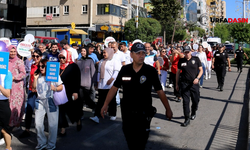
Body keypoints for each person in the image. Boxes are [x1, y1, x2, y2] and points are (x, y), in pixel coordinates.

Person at [100, 43, 172, 150]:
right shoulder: (125, 70)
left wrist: (168, 109)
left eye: (143, 53)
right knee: (130, 140)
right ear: (131, 55)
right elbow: (114, 88)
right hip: (128, 113)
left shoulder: (150, 71)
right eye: (138, 53)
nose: (141, 55)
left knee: (141, 142)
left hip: (144, 113)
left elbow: (160, 91)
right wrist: (105, 104)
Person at [33, 59, 63, 150]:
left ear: (47, 67)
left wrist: (55, 88)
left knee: (52, 125)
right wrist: (35, 78)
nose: (41, 68)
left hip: (50, 100)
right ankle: (41, 142)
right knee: (37, 123)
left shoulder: (53, 75)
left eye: (43, 66)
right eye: (40, 66)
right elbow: (34, 88)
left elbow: (61, 86)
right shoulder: (38, 76)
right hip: (40, 101)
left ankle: (51, 144)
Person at [90, 48, 121, 123]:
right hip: (102, 84)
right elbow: (99, 72)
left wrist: (112, 79)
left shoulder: (114, 61)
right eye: (103, 53)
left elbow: (116, 72)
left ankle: (112, 114)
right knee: (101, 100)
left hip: (111, 85)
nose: (103, 54)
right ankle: (97, 115)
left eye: (105, 53)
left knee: (112, 100)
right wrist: (97, 82)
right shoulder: (101, 61)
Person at [176, 46, 203, 127]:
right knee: (185, 102)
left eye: (188, 52)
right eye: (185, 52)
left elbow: (201, 70)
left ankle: (194, 111)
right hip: (184, 84)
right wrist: (177, 84)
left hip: (194, 84)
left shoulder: (196, 59)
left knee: (195, 100)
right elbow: (177, 73)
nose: (187, 54)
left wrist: (198, 78)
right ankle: (187, 118)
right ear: (183, 53)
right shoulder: (181, 61)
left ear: (190, 52)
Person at [58, 50, 82, 136]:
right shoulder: (58, 66)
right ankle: (63, 129)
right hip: (60, 91)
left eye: (63, 57)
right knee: (61, 110)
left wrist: (75, 91)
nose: (61, 59)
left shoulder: (73, 66)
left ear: (67, 57)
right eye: (60, 57)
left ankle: (78, 120)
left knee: (72, 109)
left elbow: (77, 79)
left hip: (70, 91)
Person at [19, 49, 42, 138]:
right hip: (31, 90)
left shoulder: (43, 66)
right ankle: (27, 130)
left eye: (37, 56)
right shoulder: (32, 65)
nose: (35, 58)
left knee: (40, 112)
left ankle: (40, 132)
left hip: (40, 92)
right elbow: (30, 77)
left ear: (40, 56)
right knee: (29, 109)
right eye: (34, 56)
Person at [7, 45, 26, 130]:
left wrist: (14, 77)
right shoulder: (5, 61)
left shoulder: (19, 62)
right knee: (8, 104)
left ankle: (16, 124)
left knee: (16, 105)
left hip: (17, 87)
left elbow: (23, 73)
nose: (13, 53)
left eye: (14, 51)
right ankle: (9, 122)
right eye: (11, 51)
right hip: (7, 86)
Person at [76, 47, 96, 114]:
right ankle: (80, 114)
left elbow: (93, 72)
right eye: (81, 51)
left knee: (87, 99)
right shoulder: (78, 61)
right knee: (80, 99)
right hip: (80, 84)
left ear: (87, 52)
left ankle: (95, 108)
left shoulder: (90, 60)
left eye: (84, 51)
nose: (82, 52)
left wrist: (94, 82)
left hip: (87, 83)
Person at [0, 69, 13, 150]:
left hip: (2, 104)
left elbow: (7, 93)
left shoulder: (7, 73)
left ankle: (8, 148)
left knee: (4, 129)